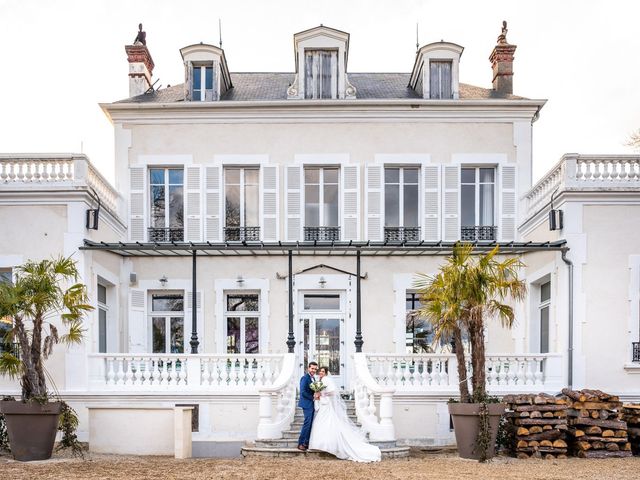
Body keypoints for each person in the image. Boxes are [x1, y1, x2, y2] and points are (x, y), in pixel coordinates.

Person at [309, 366, 381, 462]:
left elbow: (333, 392)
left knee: (326, 422)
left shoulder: (326, 380)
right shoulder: (320, 380)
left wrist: (322, 394)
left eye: (323, 371)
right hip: (322, 403)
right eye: (320, 371)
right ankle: (321, 444)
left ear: (326, 373)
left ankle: (325, 445)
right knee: (321, 422)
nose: (321, 373)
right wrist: (317, 393)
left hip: (326, 404)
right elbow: (320, 391)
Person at [297, 361, 318, 451]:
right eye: (312, 368)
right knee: (307, 423)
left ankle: (306, 442)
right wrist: (312, 397)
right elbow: (303, 392)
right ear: (308, 368)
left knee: (310, 424)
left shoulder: (313, 378)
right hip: (306, 403)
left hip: (311, 403)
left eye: (315, 369)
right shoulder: (305, 378)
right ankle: (301, 443)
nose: (313, 370)